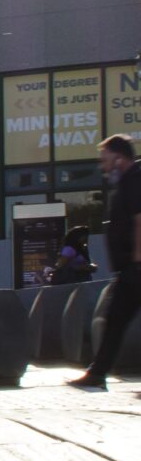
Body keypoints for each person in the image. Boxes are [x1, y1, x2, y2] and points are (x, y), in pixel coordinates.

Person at [72, 134, 141, 390]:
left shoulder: (135, 179)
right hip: (130, 268)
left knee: (115, 320)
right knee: (115, 320)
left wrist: (137, 261)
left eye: (105, 159)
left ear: (119, 157)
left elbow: (139, 220)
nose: (103, 166)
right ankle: (97, 373)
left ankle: (97, 373)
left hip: (136, 268)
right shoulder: (127, 182)